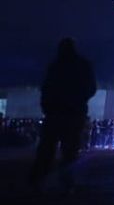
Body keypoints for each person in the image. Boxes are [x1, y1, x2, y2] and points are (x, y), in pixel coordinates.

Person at [29, 38, 97, 193]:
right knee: (70, 150)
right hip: (73, 113)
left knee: (47, 149)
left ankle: (38, 179)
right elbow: (91, 88)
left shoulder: (55, 67)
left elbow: (46, 89)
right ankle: (66, 182)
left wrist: (47, 107)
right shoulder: (82, 66)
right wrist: (79, 100)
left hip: (55, 113)